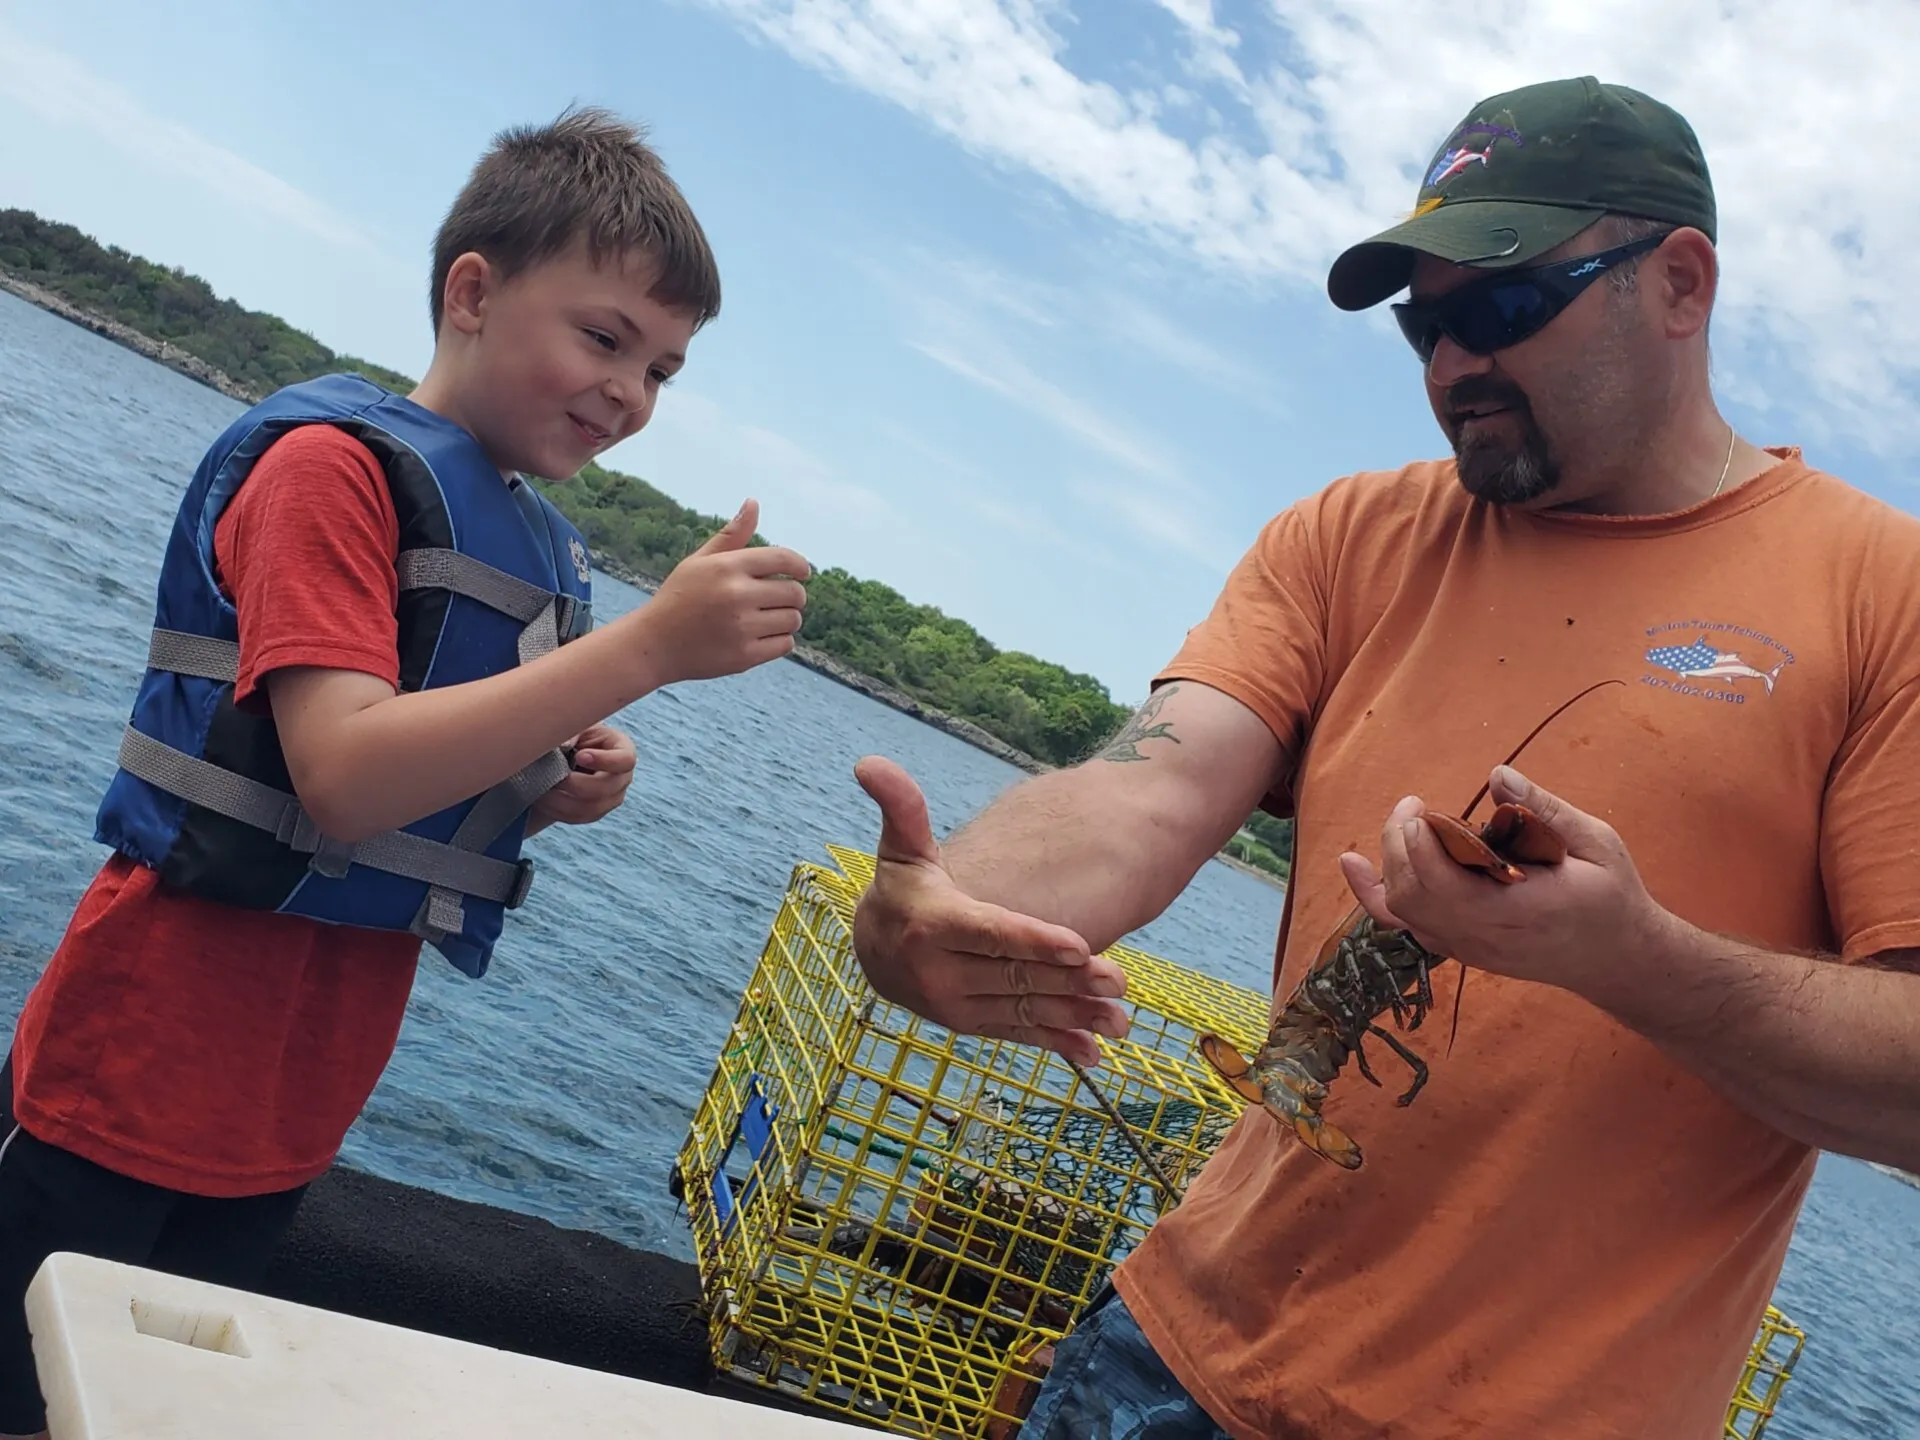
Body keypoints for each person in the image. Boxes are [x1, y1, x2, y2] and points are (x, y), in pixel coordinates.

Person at [848, 76, 1920, 1440]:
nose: (1452, 365)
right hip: (1164, 1362)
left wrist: (1634, 958)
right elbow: (1152, 782)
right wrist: (954, 901)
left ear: (1680, 284)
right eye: (1424, 324)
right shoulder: (1348, 536)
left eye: (1503, 306)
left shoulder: (1883, 598)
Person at [0, 107, 810, 1438]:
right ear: (473, 294)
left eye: (663, 369)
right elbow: (345, 776)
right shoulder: (331, 475)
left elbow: (451, 752)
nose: (630, 392)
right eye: (605, 337)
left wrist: (559, 774)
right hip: (137, 1063)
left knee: (142, 1407)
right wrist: (649, 651)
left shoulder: (534, 544)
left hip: (297, 1094)